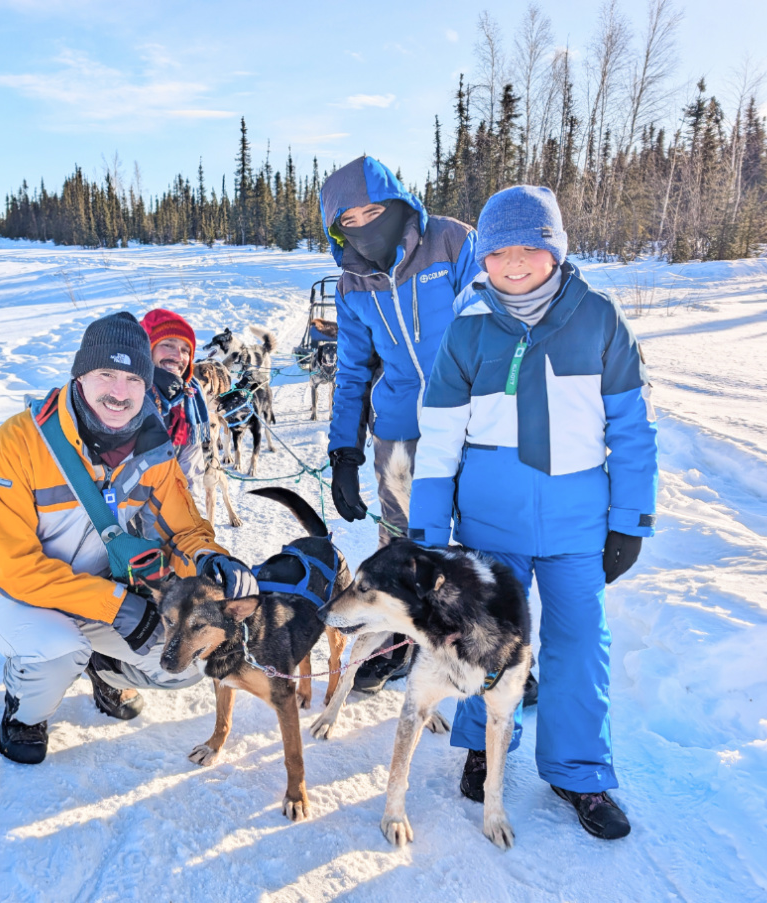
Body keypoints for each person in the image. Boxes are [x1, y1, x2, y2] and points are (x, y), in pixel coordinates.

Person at [408, 185, 658, 839]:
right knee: (480, 640)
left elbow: (632, 427)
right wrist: (430, 534)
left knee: (580, 644)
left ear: (555, 250)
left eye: (529, 248)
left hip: (578, 523)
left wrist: (630, 518)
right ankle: (477, 745)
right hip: (489, 526)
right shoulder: (466, 328)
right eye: (498, 251)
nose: (513, 264)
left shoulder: (599, 319)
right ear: (482, 256)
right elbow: (436, 438)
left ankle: (581, 773)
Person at [0, 312, 257, 765]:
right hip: (13, 591)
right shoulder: (18, 443)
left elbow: (186, 529)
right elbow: (15, 567)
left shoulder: (154, 449)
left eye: (132, 379)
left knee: (186, 661)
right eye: (106, 374)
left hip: (100, 586)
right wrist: (118, 607)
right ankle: (25, 712)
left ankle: (106, 673)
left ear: (147, 383)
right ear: (79, 376)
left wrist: (212, 561)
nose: (119, 393)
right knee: (59, 649)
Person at [320, 155, 478, 693]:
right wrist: (345, 452)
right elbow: (352, 370)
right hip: (399, 431)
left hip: (472, 417)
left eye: (373, 211)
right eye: (349, 220)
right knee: (402, 547)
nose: (364, 226)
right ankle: (397, 643)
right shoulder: (350, 285)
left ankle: (486, 648)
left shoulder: (451, 243)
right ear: (336, 230)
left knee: (476, 540)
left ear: (399, 204)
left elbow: (492, 325)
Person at [140, 308, 212, 504]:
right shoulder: (127, 397)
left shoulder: (190, 400)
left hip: (170, 517)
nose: (178, 356)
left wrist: (188, 524)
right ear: (147, 349)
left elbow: (190, 474)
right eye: (168, 344)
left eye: (185, 350)